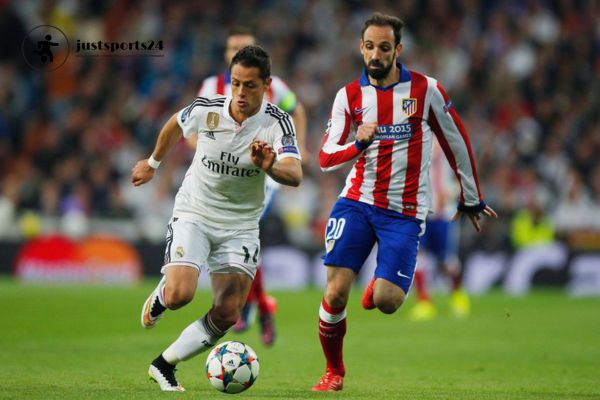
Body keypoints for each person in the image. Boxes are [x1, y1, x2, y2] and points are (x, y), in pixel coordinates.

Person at [313, 13, 497, 392]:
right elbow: (326, 155)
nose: (375, 55)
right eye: (369, 47)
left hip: (405, 213)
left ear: (398, 49)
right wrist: (358, 143)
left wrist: (472, 197)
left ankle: (376, 287)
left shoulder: (427, 90)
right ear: (361, 48)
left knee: (388, 301)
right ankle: (334, 372)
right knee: (334, 292)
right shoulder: (348, 96)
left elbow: (456, 140)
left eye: (384, 47)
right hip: (357, 202)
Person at [132, 45, 302, 392]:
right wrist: (152, 163)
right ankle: (164, 295)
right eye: (235, 84)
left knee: (228, 313)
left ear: (266, 84)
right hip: (195, 210)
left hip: (239, 226)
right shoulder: (207, 109)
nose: (240, 93)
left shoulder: (277, 122)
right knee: (181, 294)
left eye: (250, 86)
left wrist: (269, 165)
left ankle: (164, 365)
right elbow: (174, 126)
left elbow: (295, 173)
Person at [194, 27, 308, 346]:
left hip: (261, 175)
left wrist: (298, 146)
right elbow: (193, 122)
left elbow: (297, 108)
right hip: (223, 175)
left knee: (245, 226)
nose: (236, 52)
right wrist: (201, 148)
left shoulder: (274, 85)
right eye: (232, 48)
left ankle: (246, 305)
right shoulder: (211, 87)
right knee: (242, 233)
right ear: (226, 54)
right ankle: (261, 304)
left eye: (242, 47)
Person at [409, 140, 470, 321]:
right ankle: (424, 303)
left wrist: (453, 191)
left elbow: (462, 172)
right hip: (421, 212)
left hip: (444, 215)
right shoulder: (414, 138)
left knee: (448, 261)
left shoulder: (447, 140)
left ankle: (458, 297)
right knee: (418, 258)